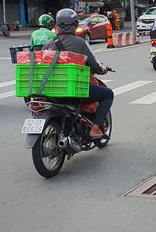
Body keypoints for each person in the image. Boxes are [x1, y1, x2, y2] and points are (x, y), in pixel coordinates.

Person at [43, 8, 113, 139]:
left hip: (51, 90)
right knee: (108, 94)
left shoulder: (48, 44)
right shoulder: (81, 43)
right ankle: (95, 129)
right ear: (74, 25)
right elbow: (96, 65)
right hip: (74, 90)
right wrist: (103, 69)